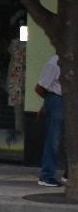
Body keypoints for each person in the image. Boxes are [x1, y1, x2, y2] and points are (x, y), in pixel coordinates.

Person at [34, 53, 65, 187]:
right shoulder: (54, 62)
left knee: (69, 139)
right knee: (54, 138)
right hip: (57, 99)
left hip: (69, 101)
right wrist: (48, 103)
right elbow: (40, 87)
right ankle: (46, 175)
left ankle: (69, 174)